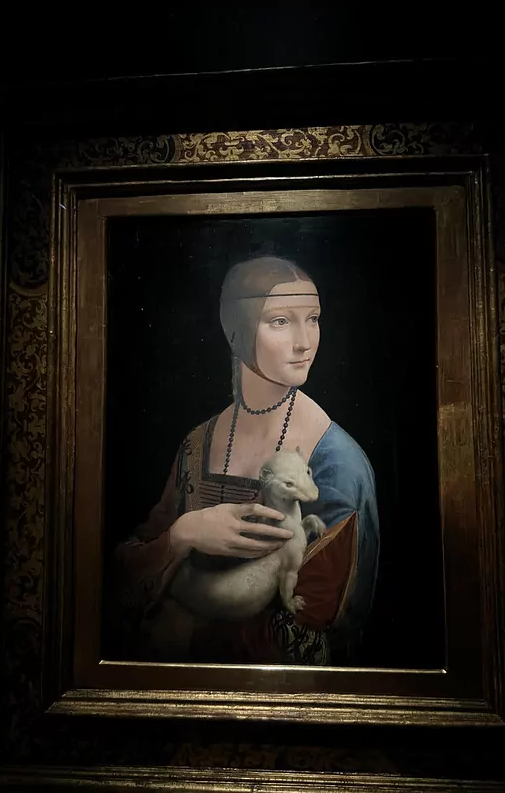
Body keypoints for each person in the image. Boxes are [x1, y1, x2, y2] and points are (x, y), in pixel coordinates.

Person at [112, 256, 380, 666]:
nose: (304, 342)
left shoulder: (338, 465)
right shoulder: (196, 444)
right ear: (235, 331)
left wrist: (182, 632)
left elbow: (314, 636)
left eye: (313, 319)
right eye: (281, 321)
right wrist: (184, 534)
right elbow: (123, 575)